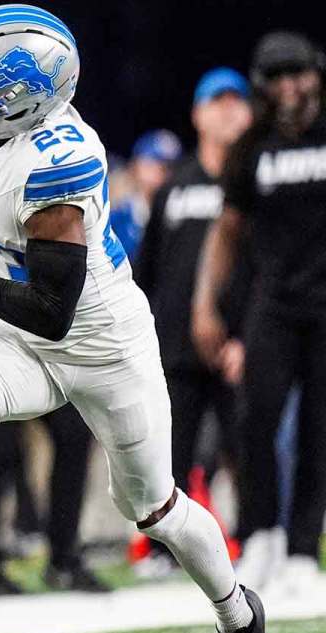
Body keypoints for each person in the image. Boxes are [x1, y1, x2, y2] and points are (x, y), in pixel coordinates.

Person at [0, 6, 268, 633]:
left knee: (154, 508)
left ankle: (239, 618)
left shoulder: (58, 170)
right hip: (24, 331)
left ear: (22, 109)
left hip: (98, 343)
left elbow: (52, 310)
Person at [192, 31, 326, 598]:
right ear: (264, 87)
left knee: (319, 429)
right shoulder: (252, 145)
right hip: (270, 304)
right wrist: (205, 304)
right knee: (253, 420)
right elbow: (226, 229)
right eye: (280, 78)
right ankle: (263, 534)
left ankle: (301, 548)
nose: (292, 88)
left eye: (300, 75)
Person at [134, 67, 252, 576]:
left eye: (236, 101)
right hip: (175, 346)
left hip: (238, 344)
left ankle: (255, 538)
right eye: (216, 102)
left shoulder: (253, 182)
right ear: (198, 114)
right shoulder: (174, 185)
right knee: (169, 453)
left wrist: (247, 338)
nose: (227, 110)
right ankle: (165, 550)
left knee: (247, 446)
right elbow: (149, 271)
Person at [106, 129, 182, 261]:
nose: (160, 173)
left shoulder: (181, 219)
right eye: (152, 164)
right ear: (136, 166)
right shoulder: (117, 218)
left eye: (168, 167)